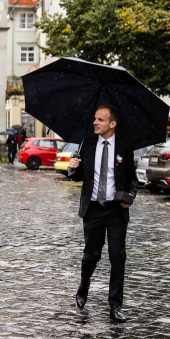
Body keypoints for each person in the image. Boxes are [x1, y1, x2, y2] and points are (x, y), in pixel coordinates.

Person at [67, 105, 138, 322]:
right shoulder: (87, 144)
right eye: (95, 119)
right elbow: (77, 176)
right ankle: (84, 284)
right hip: (93, 209)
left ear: (112, 124)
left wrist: (130, 197)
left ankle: (115, 305)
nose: (95, 123)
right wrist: (72, 168)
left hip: (116, 210)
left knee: (117, 257)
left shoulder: (124, 146)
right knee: (92, 255)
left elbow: (132, 179)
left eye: (101, 120)